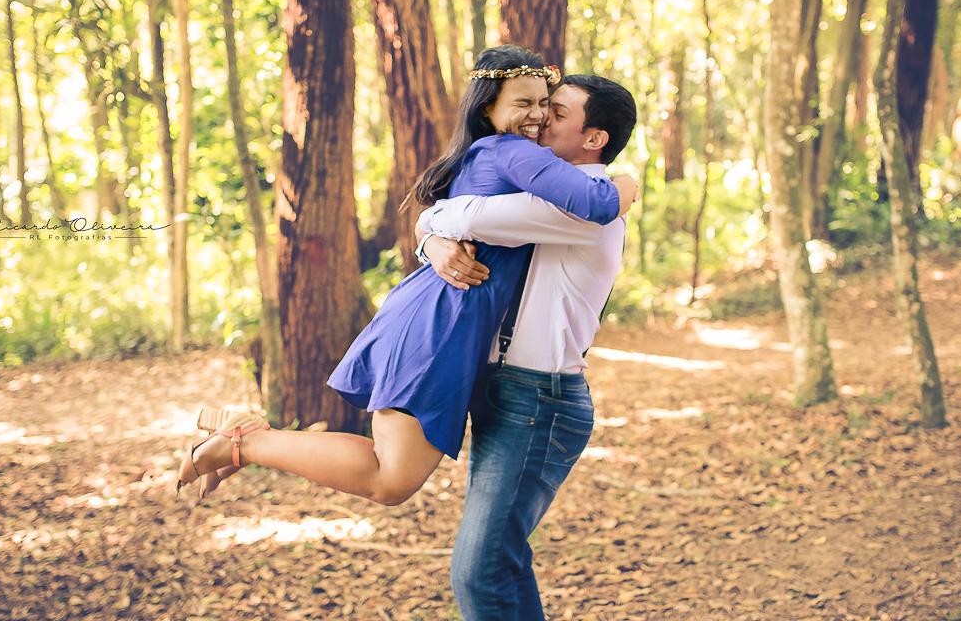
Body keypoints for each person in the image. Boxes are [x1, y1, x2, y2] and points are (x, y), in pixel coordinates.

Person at [175, 47, 637, 508]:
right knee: (389, 478)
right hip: (445, 320)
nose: (538, 115)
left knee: (389, 473)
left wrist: (429, 233)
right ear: (487, 109)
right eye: (524, 103)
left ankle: (247, 441)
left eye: (545, 104)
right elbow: (595, 204)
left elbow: (452, 216)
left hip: (445, 313)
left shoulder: (495, 154)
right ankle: (247, 442)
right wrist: (627, 184)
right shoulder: (512, 150)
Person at [415, 74, 637, 620]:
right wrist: (431, 241)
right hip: (511, 392)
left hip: (539, 399)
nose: (539, 119)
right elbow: (462, 215)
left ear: (594, 139)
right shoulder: (556, 189)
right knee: (502, 564)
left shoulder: (585, 206)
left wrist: (429, 226)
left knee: (478, 570)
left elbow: (469, 214)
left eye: (557, 113)